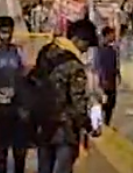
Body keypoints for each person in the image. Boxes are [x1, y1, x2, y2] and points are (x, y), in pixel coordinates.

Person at [30, 18, 98, 173]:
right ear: (76, 39)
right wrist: (87, 125)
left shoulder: (45, 52)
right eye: (86, 44)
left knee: (44, 168)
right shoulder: (74, 65)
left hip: (43, 124)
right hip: (65, 129)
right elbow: (78, 100)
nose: (86, 50)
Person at [0, 16, 29, 173]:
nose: (6, 35)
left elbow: (25, 74)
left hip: (17, 105)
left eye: (8, 32)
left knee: (19, 149)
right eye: (3, 32)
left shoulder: (19, 51)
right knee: (1, 149)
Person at [94, 26, 121, 127]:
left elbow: (114, 65)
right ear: (106, 35)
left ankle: (106, 124)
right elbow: (98, 66)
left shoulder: (112, 50)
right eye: (111, 34)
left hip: (111, 81)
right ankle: (98, 124)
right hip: (104, 82)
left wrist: (118, 74)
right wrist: (102, 79)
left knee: (111, 104)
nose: (113, 36)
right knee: (103, 103)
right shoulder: (99, 50)